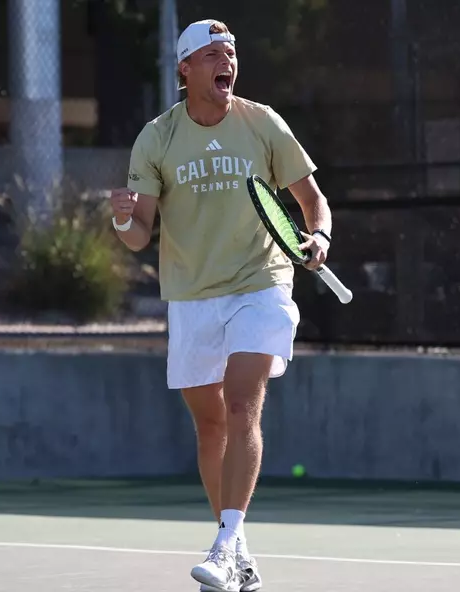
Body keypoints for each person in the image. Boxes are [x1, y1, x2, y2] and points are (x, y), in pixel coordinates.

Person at [108, 18, 334, 592]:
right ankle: (242, 555)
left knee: (241, 406)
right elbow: (140, 236)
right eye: (211, 54)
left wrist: (319, 238)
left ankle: (225, 541)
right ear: (185, 70)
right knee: (210, 427)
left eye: (230, 51)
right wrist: (120, 216)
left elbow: (312, 201)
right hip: (191, 296)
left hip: (262, 285)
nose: (224, 60)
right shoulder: (157, 138)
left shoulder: (263, 124)